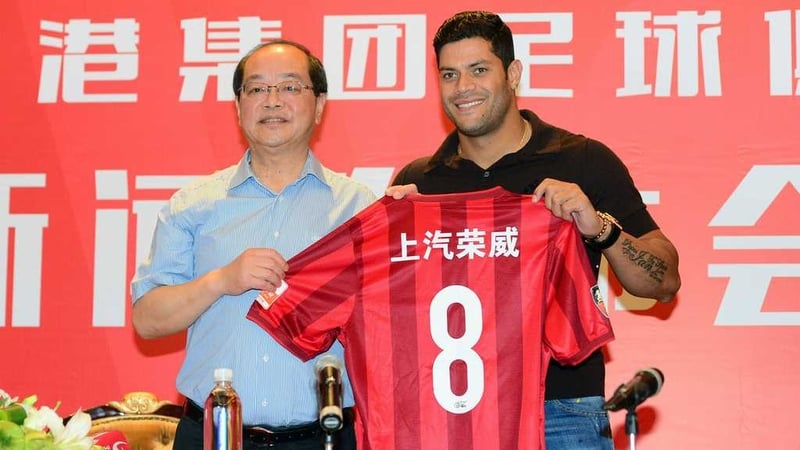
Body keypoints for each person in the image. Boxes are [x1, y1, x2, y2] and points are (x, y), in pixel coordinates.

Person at [388, 10, 681, 449]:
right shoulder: (420, 183)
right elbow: (394, 312)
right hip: (452, 409)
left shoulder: (582, 161)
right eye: (449, 74)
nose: (463, 87)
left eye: (478, 70)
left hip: (562, 410)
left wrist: (600, 228)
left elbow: (664, 283)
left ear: (513, 74)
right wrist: (392, 234)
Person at [131, 40, 376, 450]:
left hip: (322, 437)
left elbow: (389, 319)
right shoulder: (193, 205)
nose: (272, 100)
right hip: (211, 435)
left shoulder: (359, 208)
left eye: (290, 87)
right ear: (238, 105)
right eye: (257, 88)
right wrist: (221, 281)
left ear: (319, 105)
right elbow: (147, 320)